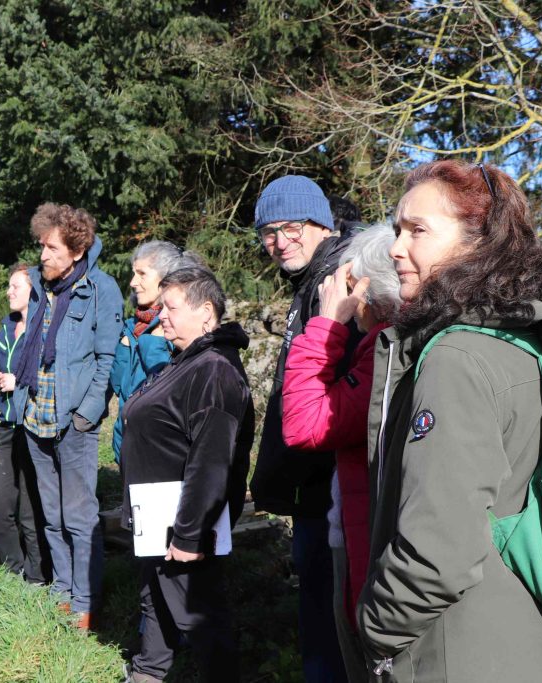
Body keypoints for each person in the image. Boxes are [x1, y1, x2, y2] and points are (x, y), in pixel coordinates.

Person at [357, 159, 542, 681]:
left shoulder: (456, 358)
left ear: (478, 242)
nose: (396, 248)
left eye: (417, 230)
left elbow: (437, 552)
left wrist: (375, 628)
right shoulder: (541, 338)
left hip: (462, 652)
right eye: (397, 229)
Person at [280, 224, 402, 683]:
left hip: (367, 547)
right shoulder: (380, 346)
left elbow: (304, 425)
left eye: (351, 286)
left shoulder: (383, 351)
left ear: (371, 290)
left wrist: (328, 322)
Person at [120, 266, 254, 683]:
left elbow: (211, 459)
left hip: (180, 523)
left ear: (206, 312)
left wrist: (189, 533)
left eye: (172, 308)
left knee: (198, 617)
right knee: (156, 600)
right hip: (156, 520)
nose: (162, 315)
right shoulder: (189, 361)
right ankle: (148, 672)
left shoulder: (214, 369)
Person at [248, 175, 356, 682]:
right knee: (321, 612)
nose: (279, 241)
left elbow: (338, 388)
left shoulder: (338, 281)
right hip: (316, 483)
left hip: (331, 485)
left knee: (330, 619)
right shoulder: (313, 281)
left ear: (321, 224)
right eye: (268, 233)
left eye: (291, 227)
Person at [13, 202, 123, 630]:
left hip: (73, 423)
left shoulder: (100, 290)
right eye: (42, 246)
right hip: (35, 418)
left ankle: (85, 600)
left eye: (52, 248)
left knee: (79, 516)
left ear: (76, 251)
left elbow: (107, 359)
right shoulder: (40, 287)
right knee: (52, 514)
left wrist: (86, 415)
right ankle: (61, 590)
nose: (43, 255)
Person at [0, 263, 47, 584]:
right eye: (9, 286)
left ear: (34, 292)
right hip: (7, 424)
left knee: (30, 511)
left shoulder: (44, 329)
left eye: (15, 287)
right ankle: (13, 570)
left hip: (34, 425)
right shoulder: (7, 327)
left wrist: (18, 383)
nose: (9, 292)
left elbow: (49, 377)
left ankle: (37, 578)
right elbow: (5, 369)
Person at [109, 241, 202, 463]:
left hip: (158, 451)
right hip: (128, 446)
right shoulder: (134, 326)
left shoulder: (180, 329)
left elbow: (164, 389)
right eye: (134, 273)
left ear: (167, 277)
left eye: (142, 274)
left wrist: (154, 341)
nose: (133, 282)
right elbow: (119, 386)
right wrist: (125, 345)